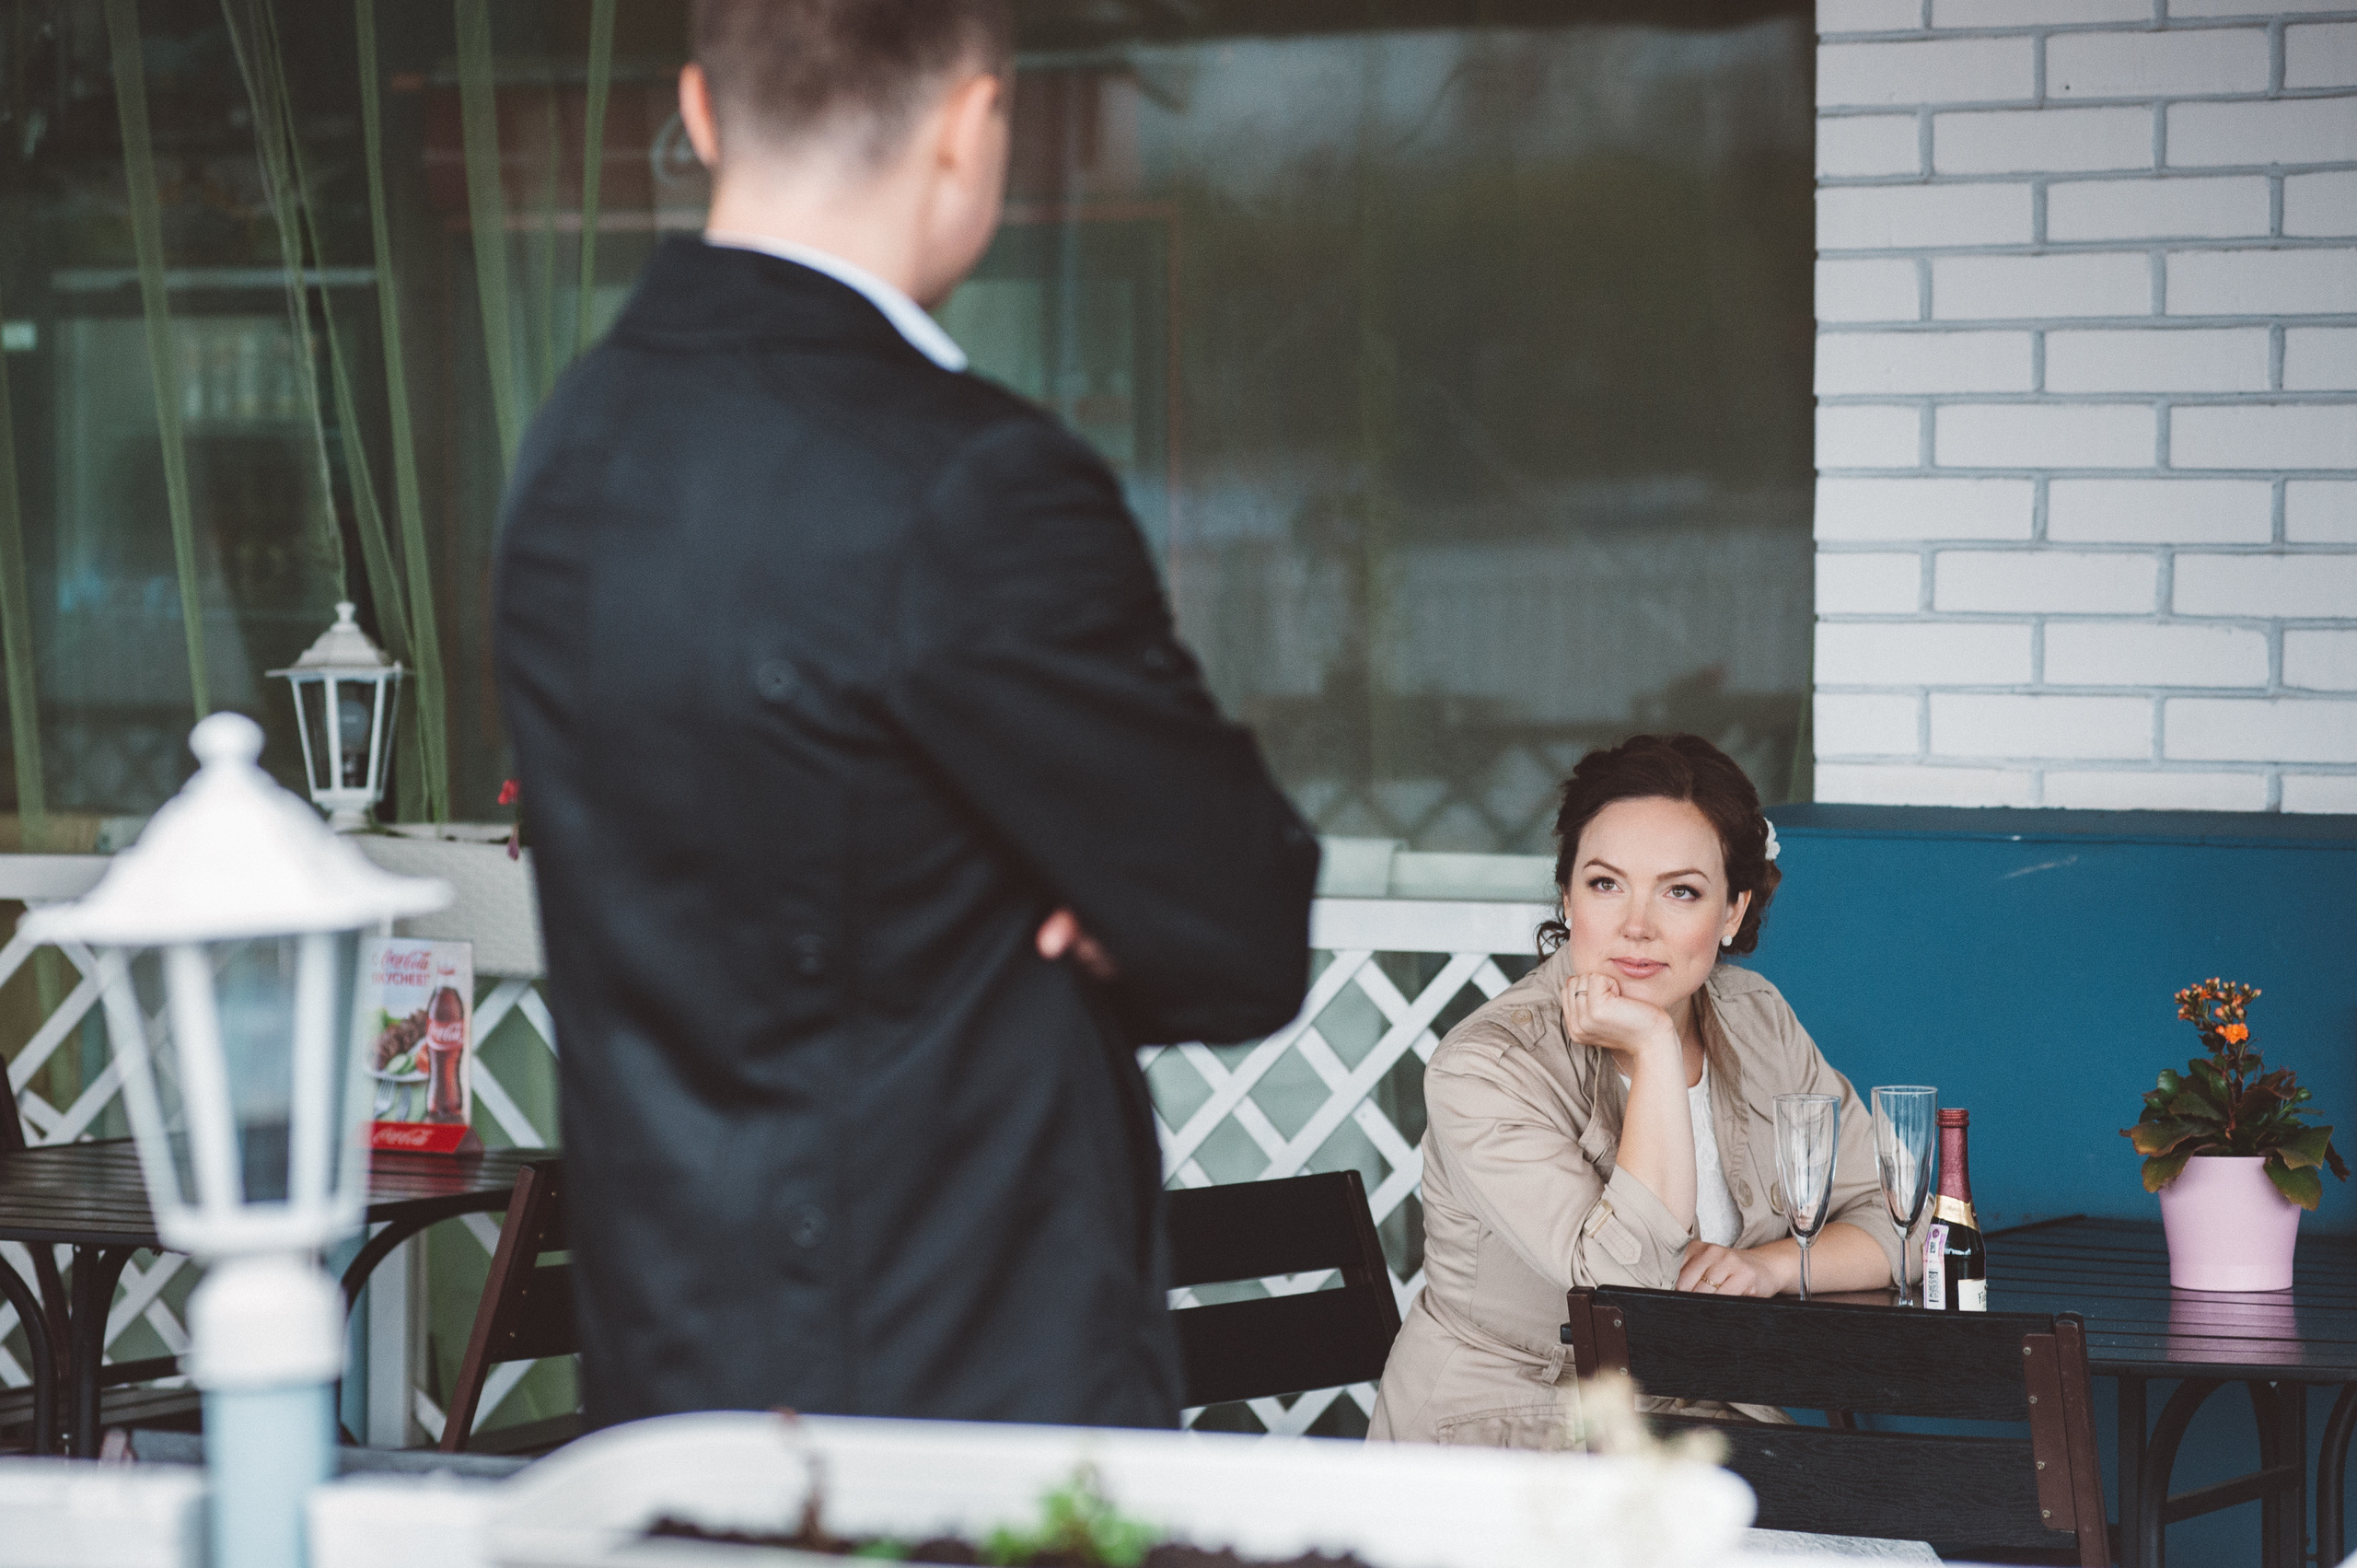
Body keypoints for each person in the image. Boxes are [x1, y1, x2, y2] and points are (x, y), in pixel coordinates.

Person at [493, 0, 1318, 1432]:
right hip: (957, 1395)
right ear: (969, 123)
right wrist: (1068, 887)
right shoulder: (973, 480)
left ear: (697, 112)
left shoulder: (570, 449)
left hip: (671, 1375)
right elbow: (1238, 925)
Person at [1367, 734, 1899, 1447]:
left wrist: (1765, 1267)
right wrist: (1652, 1049)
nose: (1637, 926)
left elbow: (1902, 1219)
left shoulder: (1757, 1019)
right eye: (1605, 883)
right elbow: (1625, 1291)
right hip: (1511, 1437)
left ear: (1734, 911)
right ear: (1567, 895)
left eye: (1680, 890)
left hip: (1701, 1424)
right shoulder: (1486, 1066)